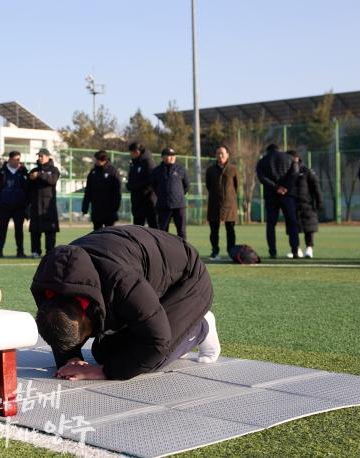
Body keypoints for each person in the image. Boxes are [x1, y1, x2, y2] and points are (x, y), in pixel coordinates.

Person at [30, 225, 220, 380]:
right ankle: (180, 337)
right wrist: (70, 358)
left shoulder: (121, 283)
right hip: (148, 277)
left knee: (150, 359)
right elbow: (59, 328)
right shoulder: (50, 288)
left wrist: (101, 372)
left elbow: (157, 342)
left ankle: (201, 327)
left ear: (85, 316)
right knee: (105, 353)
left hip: (186, 280)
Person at [256, 144, 300, 259]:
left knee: (271, 224)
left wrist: (276, 188)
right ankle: (295, 250)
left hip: (271, 195)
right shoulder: (289, 158)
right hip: (288, 195)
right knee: (292, 222)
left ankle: (272, 251)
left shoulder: (262, 161)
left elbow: (262, 178)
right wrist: (286, 187)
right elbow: (295, 172)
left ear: (268, 150)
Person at [0, 151, 28, 258]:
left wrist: (25, 203)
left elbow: (28, 188)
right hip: (4, 206)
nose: (17, 162)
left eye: (19, 159)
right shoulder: (1, 172)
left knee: (19, 231)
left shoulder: (23, 171)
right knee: (2, 230)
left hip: (19, 207)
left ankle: (20, 251)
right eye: (15, 159)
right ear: (10, 159)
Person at [205, 145, 238, 260]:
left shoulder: (233, 169)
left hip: (230, 205)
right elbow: (208, 185)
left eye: (222, 153)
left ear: (227, 155)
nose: (220, 156)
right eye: (218, 153)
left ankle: (231, 252)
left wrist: (229, 197)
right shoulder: (210, 170)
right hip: (214, 204)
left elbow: (236, 186)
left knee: (230, 229)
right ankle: (215, 251)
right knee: (214, 230)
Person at [288, 151, 322, 259]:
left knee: (309, 227)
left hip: (307, 202)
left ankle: (309, 248)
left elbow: (316, 186)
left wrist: (319, 200)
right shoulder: (286, 171)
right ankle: (296, 249)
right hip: (292, 203)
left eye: (293, 158)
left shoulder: (306, 171)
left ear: (298, 158)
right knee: (293, 227)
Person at [151, 147, 190, 239]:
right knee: (162, 232)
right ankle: (164, 252)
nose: (171, 157)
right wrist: (163, 195)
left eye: (173, 155)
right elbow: (154, 186)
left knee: (181, 231)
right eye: (168, 155)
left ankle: (183, 251)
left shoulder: (181, 169)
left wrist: (178, 195)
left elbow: (186, 186)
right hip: (163, 205)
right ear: (163, 157)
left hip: (179, 205)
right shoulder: (157, 171)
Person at [27, 148, 60, 257]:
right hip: (36, 206)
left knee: (50, 231)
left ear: (48, 156)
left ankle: (50, 252)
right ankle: (35, 251)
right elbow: (27, 186)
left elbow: (52, 180)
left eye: (42, 156)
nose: (40, 158)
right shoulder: (34, 170)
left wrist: (40, 175)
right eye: (39, 156)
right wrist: (30, 178)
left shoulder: (54, 170)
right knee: (35, 231)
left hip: (48, 207)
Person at [82, 150, 122, 231]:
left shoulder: (113, 172)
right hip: (96, 210)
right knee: (97, 235)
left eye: (96, 159)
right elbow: (88, 191)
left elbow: (117, 192)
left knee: (109, 234)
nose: (94, 161)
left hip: (109, 211)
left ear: (102, 159)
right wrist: (85, 208)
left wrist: (115, 208)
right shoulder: (93, 172)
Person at [126, 142, 157, 227]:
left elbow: (151, 181)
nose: (130, 154)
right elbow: (131, 180)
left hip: (149, 201)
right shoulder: (133, 164)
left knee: (154, 227)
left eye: (131, 152)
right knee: (138, 228)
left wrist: (136, 187)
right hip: (137, 202)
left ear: (137, 152)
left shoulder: (149, 163)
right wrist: (129, 186)